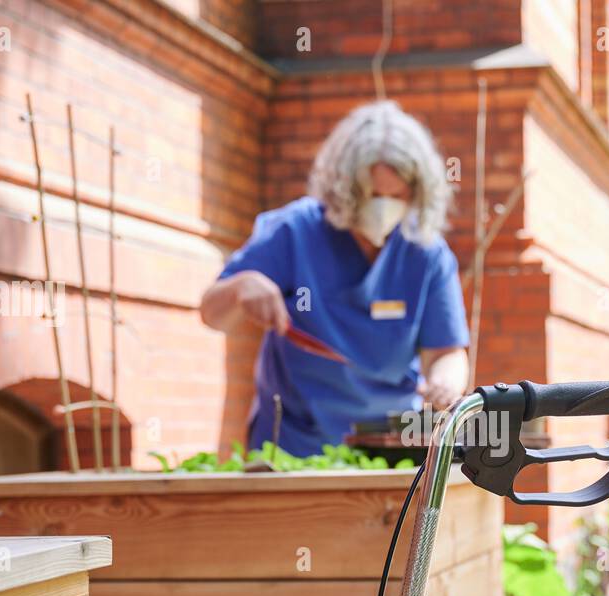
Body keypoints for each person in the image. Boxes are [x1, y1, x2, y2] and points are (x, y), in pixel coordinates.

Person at [201, 100, 469, 457]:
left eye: (398, 196)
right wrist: (240, 287)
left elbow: (448, 351)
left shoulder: (425, 252)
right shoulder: (296, 230)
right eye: (373, 195)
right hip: (292, 444)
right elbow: (212, 313)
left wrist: (445, 383)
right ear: (345, 189)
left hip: (390, 442)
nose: (385, 206)